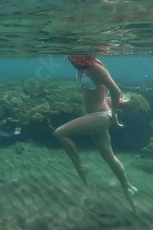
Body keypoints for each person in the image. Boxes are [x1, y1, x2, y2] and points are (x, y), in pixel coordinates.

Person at [53, 54, 138, 212]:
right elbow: (104, 93)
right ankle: (128, 187)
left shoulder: (95, 67)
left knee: (60, 133)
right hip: (93, 116)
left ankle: (80, 167)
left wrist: (114, 116)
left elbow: (115, 90)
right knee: (108, 156)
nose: (69, 59)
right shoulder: (82, 67)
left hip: (102, 117)